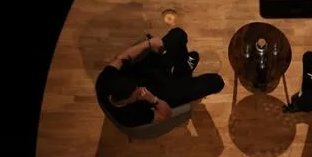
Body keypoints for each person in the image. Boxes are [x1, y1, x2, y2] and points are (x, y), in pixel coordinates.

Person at [95, 27, 225, 127]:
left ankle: (181, 69)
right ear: (124, 102)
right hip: (163, 94)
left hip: (148, 71)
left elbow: (120, 58)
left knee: (178, 34)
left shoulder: (104, 82)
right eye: (136, 94)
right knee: (217, 82)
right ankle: (182, 71)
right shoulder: (129, 116)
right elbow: (165, 114)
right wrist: (153, 99)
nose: (140, 90)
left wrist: (149, 43)